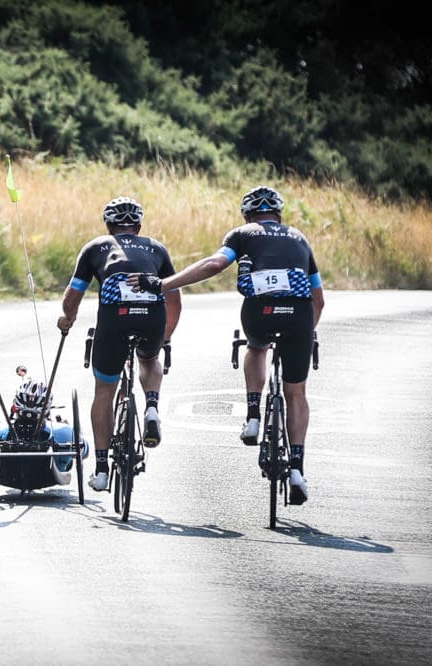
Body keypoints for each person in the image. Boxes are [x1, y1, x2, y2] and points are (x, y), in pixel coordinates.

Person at [130, 185, 324, 504]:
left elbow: (215, 265)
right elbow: (319, 300)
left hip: (260, 312)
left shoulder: (243, 233)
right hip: (299, 316)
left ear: (248, 214)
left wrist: (164, 284)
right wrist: (304, 332)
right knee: (296, 394)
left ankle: (252, 417)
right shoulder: (299, 238)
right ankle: (297, 471)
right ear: (279, 214)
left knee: (256, 347)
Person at [57, 196, 181, 492]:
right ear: (138, 225)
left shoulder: (95, 247)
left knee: (104, 390)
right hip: (151, 315)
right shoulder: (156, 248)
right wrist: (166, 335)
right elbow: (174, 297)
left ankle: (101, 470)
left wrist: (67, 319)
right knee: (149, 359)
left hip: (114, 320)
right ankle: (152, 406)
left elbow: (73, 296)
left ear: (108, 225)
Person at [0, 378, 90, 479]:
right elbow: (84, 451)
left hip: (4, 470)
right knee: (67, 457)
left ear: (15, 408)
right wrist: (70, 428)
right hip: (48, 473)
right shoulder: (64, 432)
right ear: (47, 411)